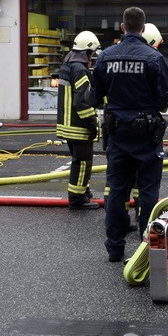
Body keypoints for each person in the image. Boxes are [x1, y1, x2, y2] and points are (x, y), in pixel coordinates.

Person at [92, 7, 168, 262]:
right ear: (143, 27)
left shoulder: (105, 57)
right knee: (149, 192)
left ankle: (115, 249)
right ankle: (147, 250)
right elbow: (166, 97)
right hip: (147, 134)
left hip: (117, 133)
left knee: (117, 191)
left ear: (122, 27)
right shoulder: (153, 57)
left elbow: (95, 97)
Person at [56, 30, 102, 210]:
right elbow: (82, 101)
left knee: (78, 161)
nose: (92, 59)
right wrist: (92, 125)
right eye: (92, 54)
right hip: (78, 126)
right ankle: (77, 199)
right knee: (83, 162)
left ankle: (83, 192)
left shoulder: (67, 66)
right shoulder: (80, 69)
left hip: (67, 125)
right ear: (87, 52)